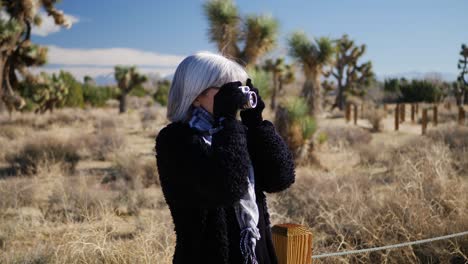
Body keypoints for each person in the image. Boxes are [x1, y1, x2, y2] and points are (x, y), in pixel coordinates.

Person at [155, 51, 295, 264]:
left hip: (257, 255)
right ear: (196, 95)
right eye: (227, 89)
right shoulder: (175, 140)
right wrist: (227, 121)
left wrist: (256, 123)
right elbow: (226, 187)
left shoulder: (237, 133)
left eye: (238, 87)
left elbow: (281, 178)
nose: (236, 97)